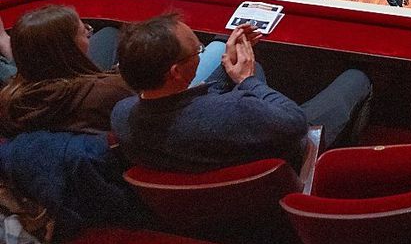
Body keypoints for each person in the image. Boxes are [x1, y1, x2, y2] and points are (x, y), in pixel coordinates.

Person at [111, 14, 372, 173]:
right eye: (198, 51)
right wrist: (247, 81)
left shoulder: (122, 114)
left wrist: (229, 61)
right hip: (285, 155)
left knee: (254, 66)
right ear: (176, 72)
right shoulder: (238, 112)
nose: (202, 53)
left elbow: (195, 101)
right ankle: (338, 159)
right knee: (357, 79)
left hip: (208, 165)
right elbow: (296, 123)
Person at [0, 6, 134, 137]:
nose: (89, 34)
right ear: (69, 50)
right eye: (84, 32)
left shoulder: (8, 102)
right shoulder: (112, 91)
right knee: (109, 33)